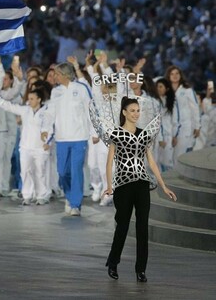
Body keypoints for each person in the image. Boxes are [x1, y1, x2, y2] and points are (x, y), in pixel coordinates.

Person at [99, 97, 177, 283]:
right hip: (123, 185)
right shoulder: (116, 134)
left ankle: (140, 269)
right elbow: (110, 162)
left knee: (143, 227)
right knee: (123, 224)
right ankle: (113, 262)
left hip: (142, 183)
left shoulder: (144, 134)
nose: (136, 114)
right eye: (132, 110)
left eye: (138, 110)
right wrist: (110, 185)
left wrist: (163, 186)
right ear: (124, 112)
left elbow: (150, 161)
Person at [41, 61, 92, 216]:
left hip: (79, 137)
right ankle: (70, 197)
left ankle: (75, 204)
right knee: (62, 172)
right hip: (62, 138)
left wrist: (95, 133)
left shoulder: (81, 89)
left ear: (64, 74)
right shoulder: (55, 92)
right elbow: (50, 113)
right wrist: (45, 129)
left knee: (76, 170)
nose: (54, 76)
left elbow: (91, 110)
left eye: (56, 73)